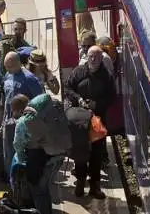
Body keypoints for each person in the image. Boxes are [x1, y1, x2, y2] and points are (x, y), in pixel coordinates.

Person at [64, 46, 116, 199]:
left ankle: (95, 186)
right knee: (80, 151)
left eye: (96, 57)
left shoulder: (107, 76)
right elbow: (68, 88)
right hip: (79, 120)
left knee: (97, 154)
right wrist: (79, 99)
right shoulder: (78, 71)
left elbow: (112, 97)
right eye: (91, 56)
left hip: (97, 121)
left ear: (102, 58)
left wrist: (96, 105)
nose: (93, 59)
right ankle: (80, 183)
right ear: (87, 56)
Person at [2, 52, 43, 121]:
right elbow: (6, 96)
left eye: (10, 67)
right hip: (9, 118)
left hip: (24, 119)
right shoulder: (8, 74)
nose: (8, 70)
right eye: (6, 67)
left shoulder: (30, 79)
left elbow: (39, 100)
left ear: (18, 63)